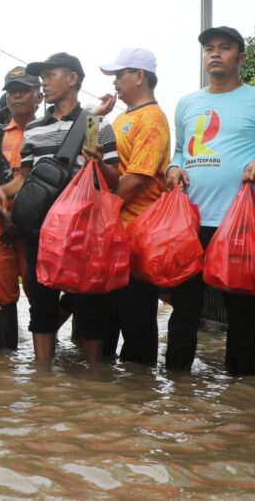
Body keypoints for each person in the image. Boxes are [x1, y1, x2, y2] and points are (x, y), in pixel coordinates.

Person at [165, 26, 255, 376]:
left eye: (225, 47)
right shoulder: (187, 103)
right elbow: (180, 151)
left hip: (238, 224)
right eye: (209, 48)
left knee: (241, 310)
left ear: (242, 57)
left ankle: (240, 384)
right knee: (185, 307)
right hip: (191, 221)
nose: (215, 53)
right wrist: (175, 167)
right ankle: (176, 380)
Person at [0, 52, 120, 363]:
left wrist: (99, 161)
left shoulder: (95, 124)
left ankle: (92, 378)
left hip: (81, 232)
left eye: (51, 75)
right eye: (43, 77)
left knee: (89, 305)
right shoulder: (34, 129)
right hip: (41, 230)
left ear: (73, 78)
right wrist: (2, 190)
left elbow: (113, 181)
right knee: (41, 304)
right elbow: (24, 179)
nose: (43, 82)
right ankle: (42, 381)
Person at [98, 48, 171, 366]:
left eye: (119, 75)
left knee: (137, 323)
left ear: (139, 76)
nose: (115, 82)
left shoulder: (153, 120)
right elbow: (93, 153)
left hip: (137, 237)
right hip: (112, 235)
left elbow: (138, 178)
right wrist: (95, 116)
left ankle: (139, 396)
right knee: (106, 323)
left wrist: (104, 209)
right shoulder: (119, 118)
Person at [0, 67, 42, 349]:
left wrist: (21, 223)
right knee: (1, 294)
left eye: (23, 90)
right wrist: (4, 217)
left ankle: (44, 362)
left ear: (38, 96)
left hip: (35, 232)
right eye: (12, 91)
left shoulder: (48, 132)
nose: (16, 96)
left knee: (40, 294)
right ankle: (5, 369)